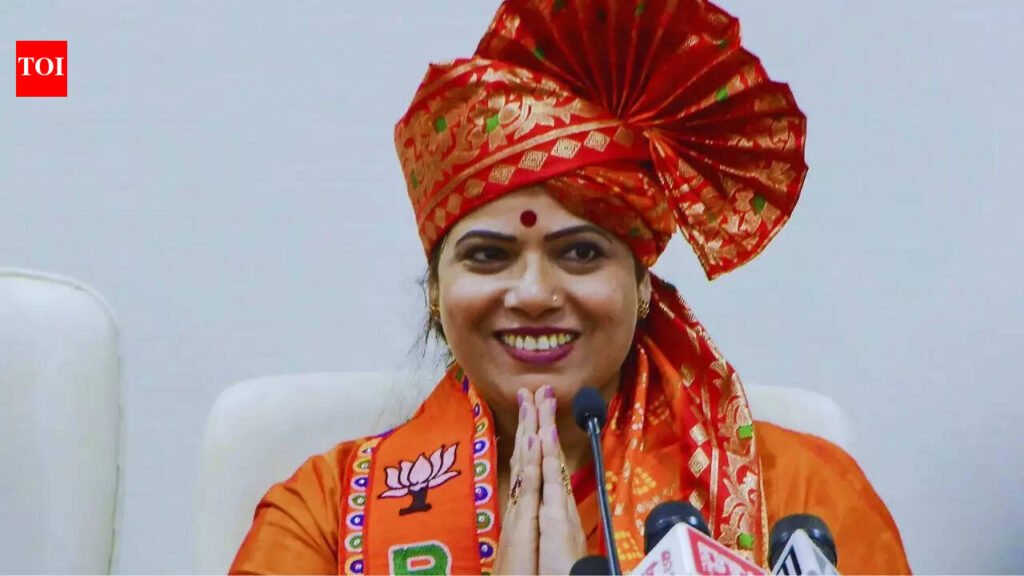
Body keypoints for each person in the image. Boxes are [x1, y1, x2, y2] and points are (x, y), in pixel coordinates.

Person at [231, 0, 911, 574]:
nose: (532, 293)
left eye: (581, 253)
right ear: (435, 291)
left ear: (643, 285)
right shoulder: (322, 516)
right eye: (488, 256)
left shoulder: (801, 498)